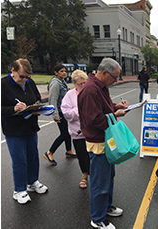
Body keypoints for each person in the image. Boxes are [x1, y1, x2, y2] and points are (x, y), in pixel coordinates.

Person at [78, 58, 129, 229]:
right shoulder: (90, 90)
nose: (116, 81)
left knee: (108, 177)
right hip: (98, 141)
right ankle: (97, 218)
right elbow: (94, 120)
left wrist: (115, 106)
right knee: (100, 181)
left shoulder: (100, 87)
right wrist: (116, 115)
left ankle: (106, 207)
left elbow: (103, 108)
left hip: (105, 140)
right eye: (115, 77)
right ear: (104, 73)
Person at [1, 58, 48, 204]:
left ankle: (32, 182)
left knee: (33, 156)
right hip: (14, 129)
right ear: (13, 71)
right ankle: (19, 190)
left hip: (30, 126)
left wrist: (36, 107)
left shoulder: (29, 83)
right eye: (22, 76)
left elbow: (37, 98)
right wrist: (13, 108)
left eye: (27, 77)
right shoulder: (3, 84)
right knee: (19, 160)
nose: (24, 79)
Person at [61, 70, 90, 189]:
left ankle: (94, 175)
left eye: (85, 83)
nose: (83, 86)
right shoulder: (70, 95)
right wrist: (80, 110)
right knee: (82, 155)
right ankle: (84, 175)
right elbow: (66, 113)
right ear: (74, 83)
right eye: (80, 84)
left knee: (93, 155)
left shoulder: (90, 93)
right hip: (77, 132)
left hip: (92, 132)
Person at [44, 64, 76, 165]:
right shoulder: (55, 84)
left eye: (65, 71)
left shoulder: (62, 82)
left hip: (64, 111)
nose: (64, 73)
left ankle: (68, 151)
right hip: (60, 112)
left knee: (67, 132)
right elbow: (53, 100)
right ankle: (49, 152)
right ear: (56, 73)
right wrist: (55, 115)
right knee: (64, 133)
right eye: (61, 71)